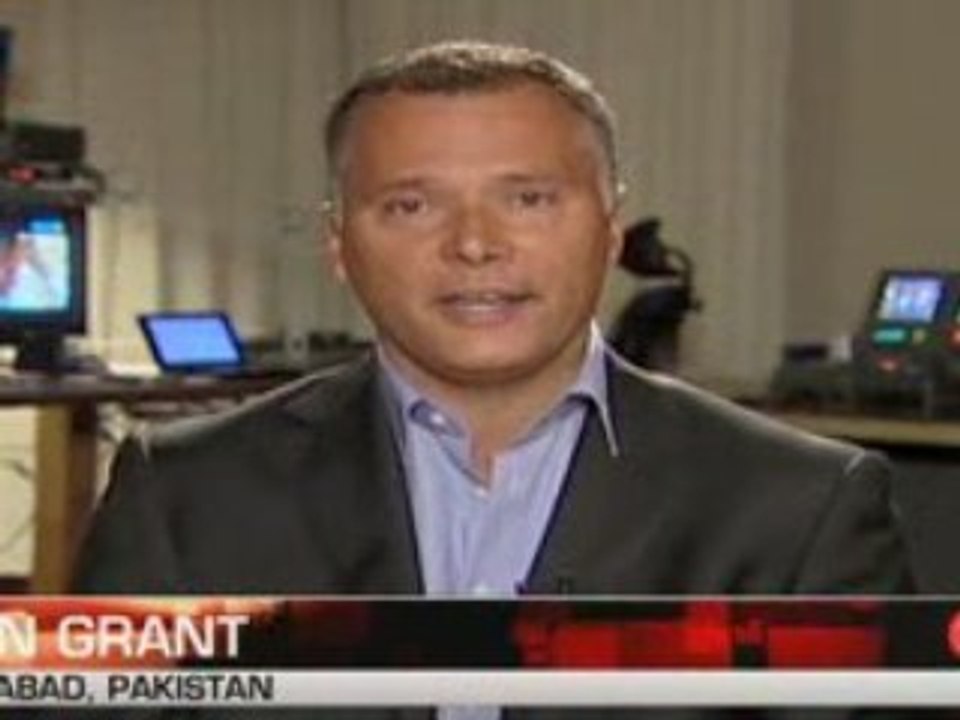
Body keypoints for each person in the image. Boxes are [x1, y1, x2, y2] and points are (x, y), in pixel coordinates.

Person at [75, 40, 912, 597]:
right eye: (411, 206)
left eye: (529, 199)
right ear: (339, 244)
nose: (475, 245)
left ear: (611, 227)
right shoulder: (184, 496)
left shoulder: (801, 507)